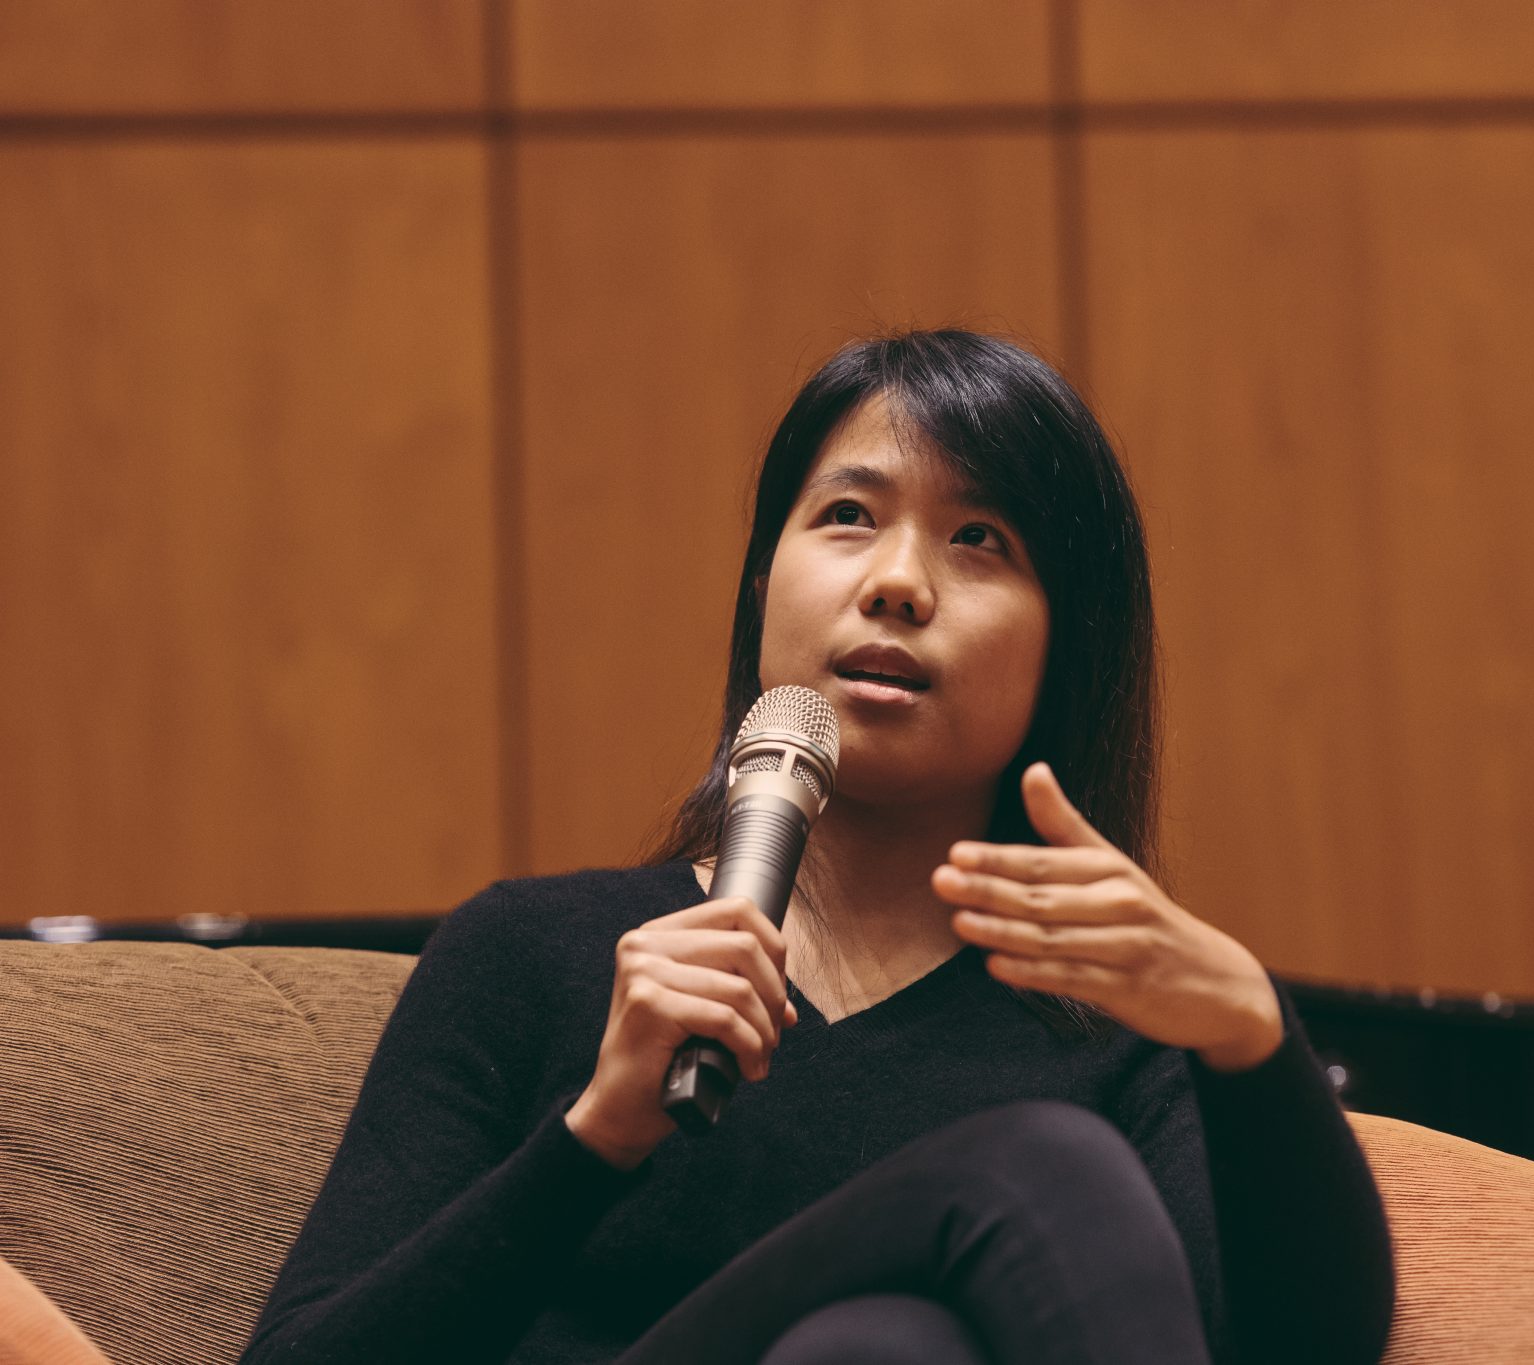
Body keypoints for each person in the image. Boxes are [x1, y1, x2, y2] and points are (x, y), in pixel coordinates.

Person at [243, 330, 1395, 1364]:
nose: (895, 584)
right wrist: (595, 1136)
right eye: (847, 516)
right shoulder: (529, 955)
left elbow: (1308, 1351)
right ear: (761, 591)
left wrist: (1248, 1032)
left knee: (884, 1348)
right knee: (1038, 1171)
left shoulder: (1111, 1036)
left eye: (979, 539)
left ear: (1066, 653)